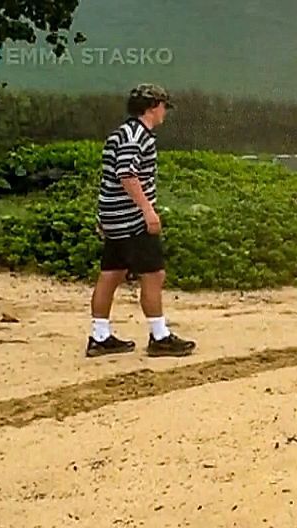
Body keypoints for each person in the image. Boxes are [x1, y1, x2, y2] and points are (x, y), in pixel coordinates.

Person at [86, 83, 196, 358]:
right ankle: (159, 336)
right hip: (131, 217)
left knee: (112, 272)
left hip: (113, 215)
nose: (164, 113)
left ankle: (100, 336)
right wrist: (148, 210)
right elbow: (127, 173)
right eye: (163, 107)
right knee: (154, 273)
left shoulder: (121, 132)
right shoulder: (138, 136)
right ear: (152, 107)